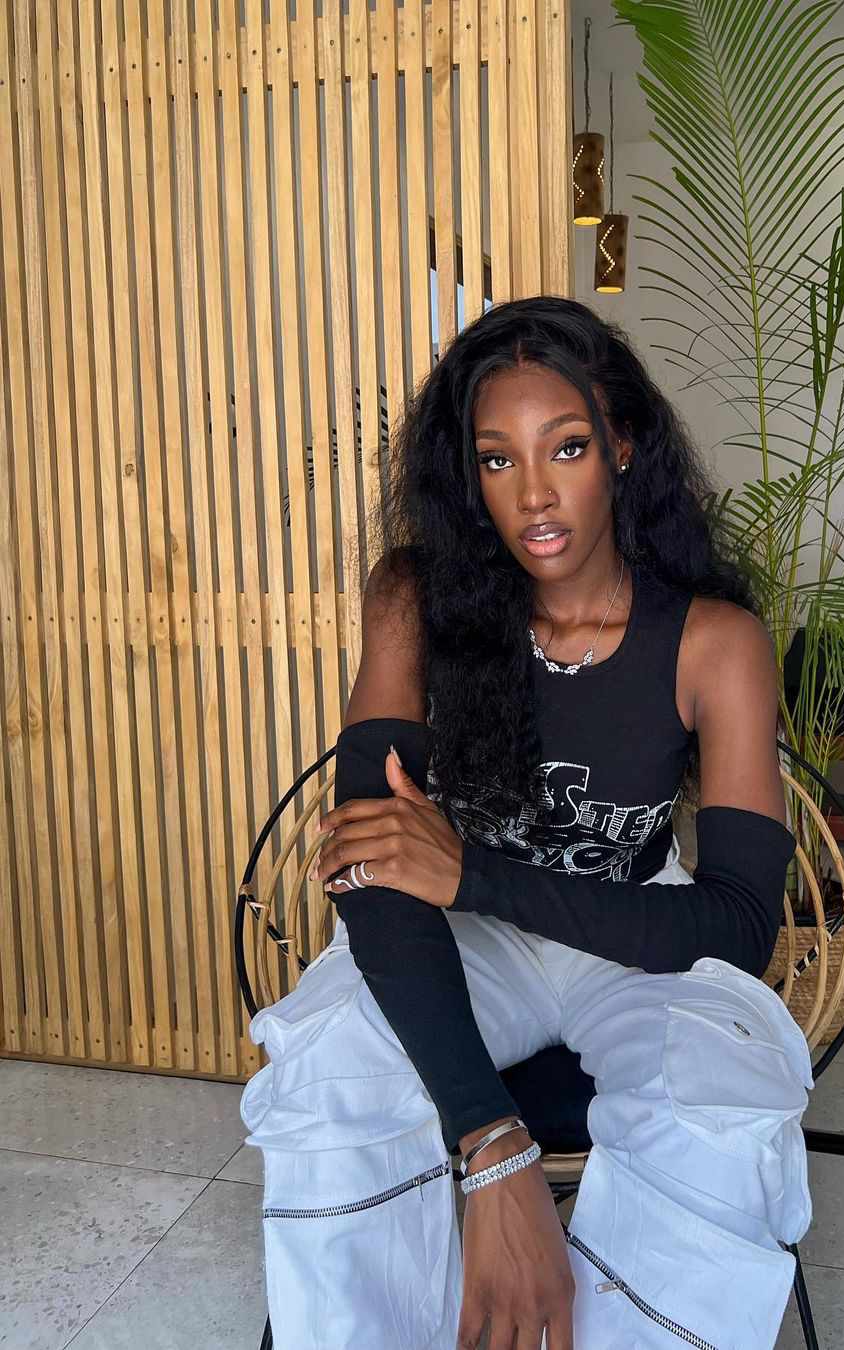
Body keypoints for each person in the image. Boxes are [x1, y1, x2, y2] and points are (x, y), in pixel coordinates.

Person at [239, 295, 814, 1350]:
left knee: (720, 1110)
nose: (535, 494)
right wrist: (490, 1140)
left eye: (568, 447)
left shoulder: (714, 641)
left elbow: (738, 924)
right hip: (465, 936)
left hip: (630, 931)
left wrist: (473, 874)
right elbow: (375, 869)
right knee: (330, 1075)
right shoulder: (414, 599)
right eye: (498, 459)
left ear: (623, 446)